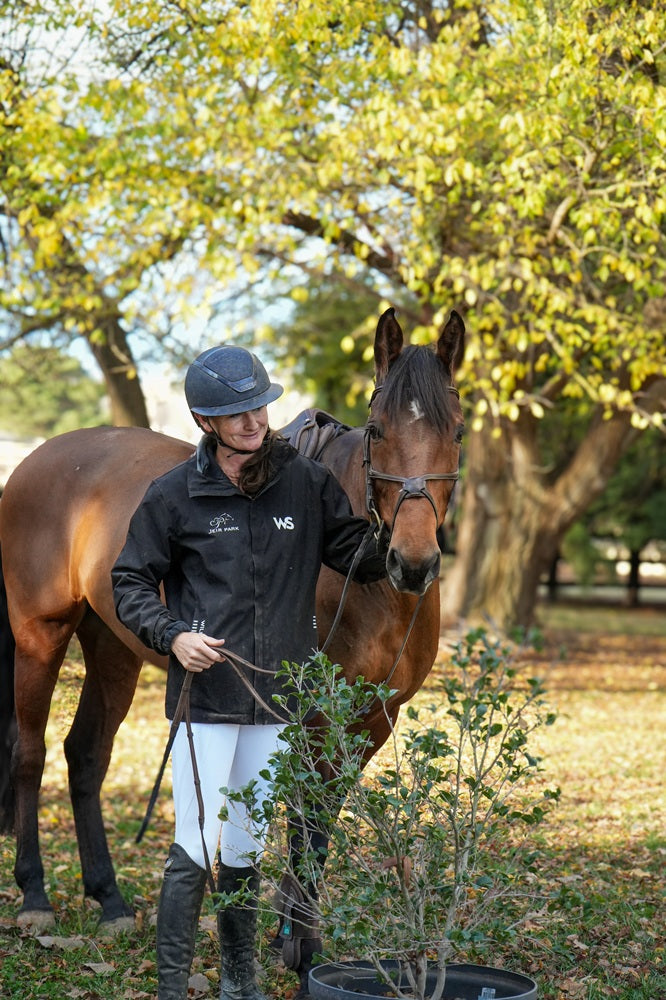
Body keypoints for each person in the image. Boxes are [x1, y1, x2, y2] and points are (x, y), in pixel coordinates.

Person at [111, 345, 387, 1000]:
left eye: (258, 406)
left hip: (278, 702)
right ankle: (172, 990)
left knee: (244, 845)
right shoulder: (174, 494)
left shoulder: (305, 483)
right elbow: (129, 582)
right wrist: (172, 634)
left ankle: (241, 983)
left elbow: (349, 549)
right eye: (235, 413)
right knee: (195, 844)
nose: (253, 421)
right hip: (204, 703)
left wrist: (402, 539)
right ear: (206, 421)